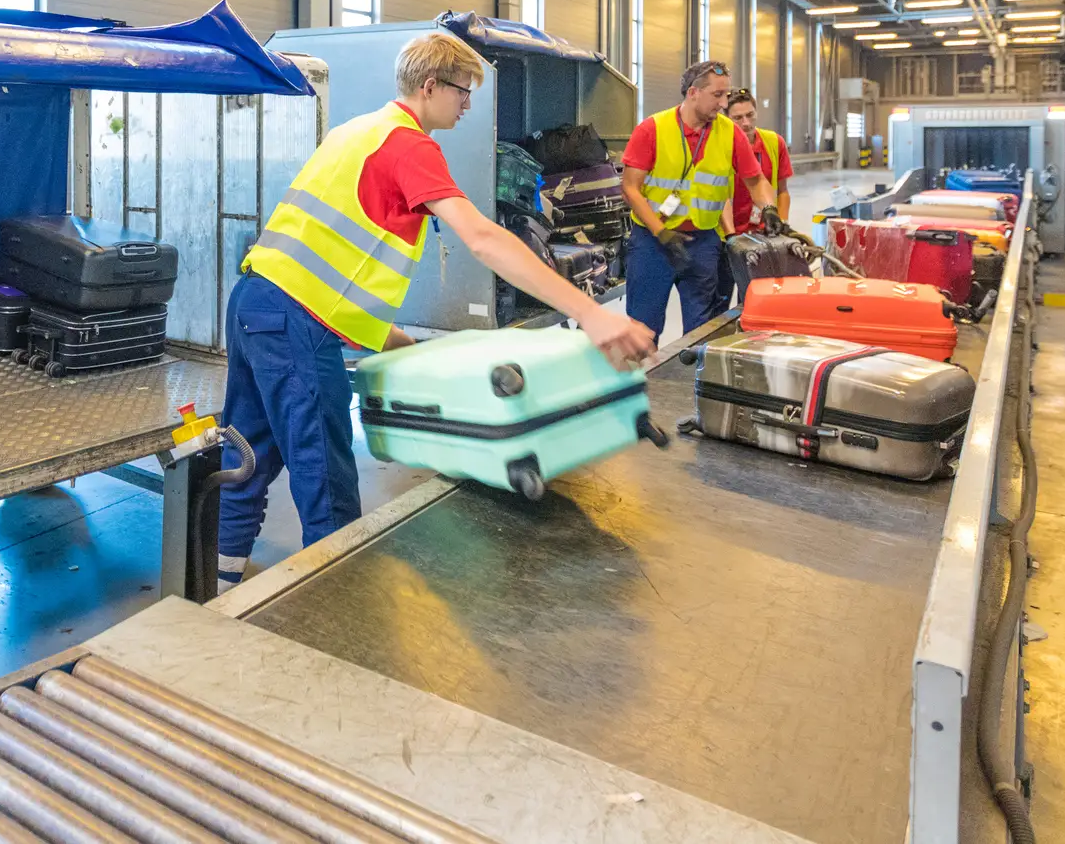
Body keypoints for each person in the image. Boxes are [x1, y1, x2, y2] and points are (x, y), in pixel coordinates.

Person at [217, 31, 659, 588]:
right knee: (324, 476)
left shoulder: (357, 129)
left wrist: (411, 347)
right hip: (296, 323)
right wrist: (593, 314)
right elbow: (484, 238)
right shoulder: (409, 143)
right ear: (430, 86)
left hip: (257, 304)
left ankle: (221, 573)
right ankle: (336, 603)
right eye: (463, 92)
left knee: (248, 450)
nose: (467, 104)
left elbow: (337, 269)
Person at [619, 60, 780, 341]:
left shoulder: (729, 133)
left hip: (702, 244)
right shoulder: (652, 129)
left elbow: (755, 180)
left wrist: (768, 208)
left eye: (726, 95)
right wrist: (661, 232)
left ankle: (691, 383)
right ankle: (644, 382)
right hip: (652, 243)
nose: (723, 103)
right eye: (717, 95)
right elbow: (630, 188)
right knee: (642, 329)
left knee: (701, 328)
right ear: (693, 93)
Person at [714, 88, 796, 310]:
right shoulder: (718, 146)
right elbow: (720, 196)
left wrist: (781, 224)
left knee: (756, 301)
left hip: (761, 236)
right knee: (718, 303)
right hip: (725, 237)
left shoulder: (773, 143)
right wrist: (731, 237)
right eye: (738, 118)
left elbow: (782, 191)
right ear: (726, 118)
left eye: (750, 115)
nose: (746, 123)